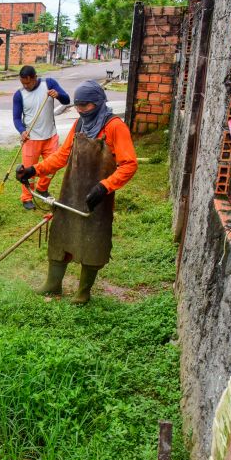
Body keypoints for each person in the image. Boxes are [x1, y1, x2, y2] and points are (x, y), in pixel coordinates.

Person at [16, 80, 137, 304]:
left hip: (97, 199)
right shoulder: (80, 125)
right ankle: (53, 284)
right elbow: (62, 156)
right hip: (71, 192)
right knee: (61, 234)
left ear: (99, 103)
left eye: (86, 106)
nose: (81, 110)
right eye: (78, 106)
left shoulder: (114, 127)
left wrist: (104, 187)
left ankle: (83, 292)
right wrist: (34, 170)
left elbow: (129, 164)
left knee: (93, 241)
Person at [12, 65, 70, 210]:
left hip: (50, 136)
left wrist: (58, 95)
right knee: (27, 172)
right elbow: (16, 118)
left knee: (51, 168)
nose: (25, 86)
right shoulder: (19, 95)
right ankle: (27, 197)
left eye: (28, 83)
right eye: (22, 83)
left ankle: (42, 189)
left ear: (34, 78)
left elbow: (66, 100)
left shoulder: (49, 84)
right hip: (31, 139)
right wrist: (22, 131)